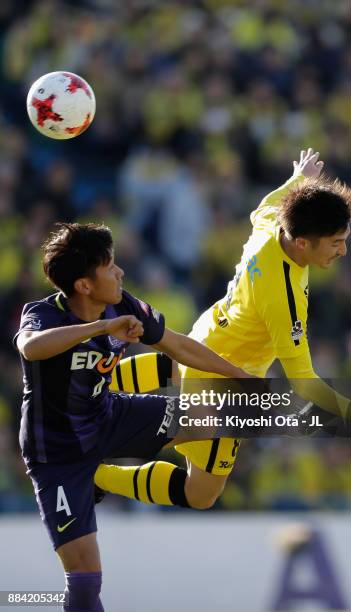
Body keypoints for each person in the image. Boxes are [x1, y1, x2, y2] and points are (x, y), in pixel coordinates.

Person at [95, 149, 351, 510]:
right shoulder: (283, 296)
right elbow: (305, 381)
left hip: (209, 334)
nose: (343, 251)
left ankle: (87, 382)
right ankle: (94, 473)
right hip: (223, 380)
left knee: (174, 372)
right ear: (304, 242)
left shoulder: (273, 223)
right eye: (336, 242)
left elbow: (266, 203)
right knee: (201, 493)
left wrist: (300, 179)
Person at [13, 222, 252, 612]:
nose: (120, 272)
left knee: (223, 414)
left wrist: (240, 377)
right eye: (110, 267)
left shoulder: (123, 303)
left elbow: (177, 344)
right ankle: (92, 479)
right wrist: (103, 327)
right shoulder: (42, 314)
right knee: (87, 585)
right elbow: (31, 348)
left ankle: (316, 416)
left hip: (110, 417)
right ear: (84, 286)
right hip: (58, 456)